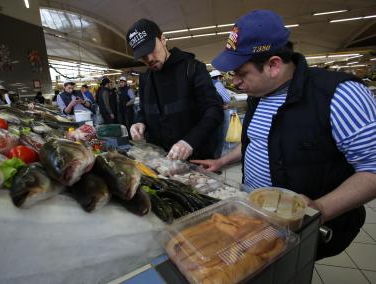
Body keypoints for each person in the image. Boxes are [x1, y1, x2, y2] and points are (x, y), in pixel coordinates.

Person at [191, 10, 376, 260]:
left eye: (240, 73)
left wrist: (318, 209)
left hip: (310, 228)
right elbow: (258, 142)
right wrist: (222, 161)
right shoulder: (258, 95)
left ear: (273, 65)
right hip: (257, 219)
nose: (234, 82)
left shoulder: (340, 95)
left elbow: (372, 169)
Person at [126, 18, 223, 160]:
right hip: (160, 161)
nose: (149, 59)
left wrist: (189, 142)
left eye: (151, 49)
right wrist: (140, 122)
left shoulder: (193, 68)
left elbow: (214, 110)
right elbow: (144, 110)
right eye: (143, 56)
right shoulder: (145, 79)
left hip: (195, 159)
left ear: (163, 39)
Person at [209, 70, 232, 158]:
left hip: (206, 114)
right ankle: (215, 158)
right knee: (219, 137)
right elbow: (227, 99)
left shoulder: (206, 84)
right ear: (219, 77)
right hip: (218, 113)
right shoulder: (217, 84)